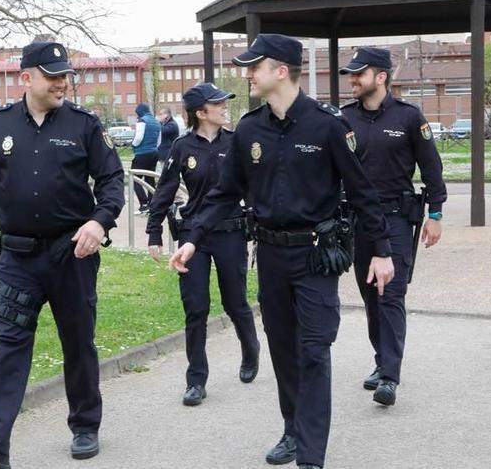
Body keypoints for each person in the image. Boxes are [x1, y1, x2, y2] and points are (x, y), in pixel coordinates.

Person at [170, 34, 395, 469]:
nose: (247, 73)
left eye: (255, 66)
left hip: (315, 256)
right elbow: (223, 192)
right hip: (270, 255)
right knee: (284, 350)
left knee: (313, 350)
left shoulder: (328, 125)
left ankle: (311, 455)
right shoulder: (250, 129)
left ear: (281, 70)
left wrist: (382, 250)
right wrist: (193, 238)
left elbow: (363, 192)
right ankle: (292, 430)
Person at [0, 41, 124, 469]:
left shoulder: (85, 125)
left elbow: (112, 182)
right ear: (26, 77)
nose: (62, 82)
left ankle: (85, 425)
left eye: (66, 74)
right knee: (8, 346)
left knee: (78, 343)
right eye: (52, 75)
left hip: (73, 255)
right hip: (16, 258)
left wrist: (98, 222)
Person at [339, 47, 447, 407]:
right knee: (371, 295)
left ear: (381, 77)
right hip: (358, 221)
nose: (352, 79)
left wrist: (435, 213)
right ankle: (381, 359)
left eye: (359, 73)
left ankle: (389, 375)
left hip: (397, 217)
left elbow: (432, 167)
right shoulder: (344, 119)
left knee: (391, 294)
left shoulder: (408, 117)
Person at [146, 83, 260, 406]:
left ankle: (250, 351)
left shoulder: (236, 143)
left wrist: (256, 221)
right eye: (218, 104)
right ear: (201, 113)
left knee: (234, 302)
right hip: (192, 236)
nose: (225, 107)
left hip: (229, 234)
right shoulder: (182, 148)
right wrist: (154, 231)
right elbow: (164, 191)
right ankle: (196, 379)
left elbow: (251, 187)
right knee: (195, 307)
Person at [131, 103, 161, 214]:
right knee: (150, 179)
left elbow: (138, 137)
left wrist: (133, 145)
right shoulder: (156, 122)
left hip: (142, 153)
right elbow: (159, 141)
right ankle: (152, 204)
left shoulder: (142, 121)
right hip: (154, 153)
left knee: (134, 179)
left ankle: (143, 204)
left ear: (139, 112)